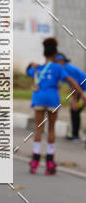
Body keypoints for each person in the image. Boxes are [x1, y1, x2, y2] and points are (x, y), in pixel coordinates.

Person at [26, 38, 85, 174]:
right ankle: (50, 162)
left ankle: (35, 161)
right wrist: (82, 94)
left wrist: (31, 64)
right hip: (52, 100)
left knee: (38, 129)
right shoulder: (58, 68)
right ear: (55, 54)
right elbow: (72, 81)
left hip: (39, 99)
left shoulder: (37, 68)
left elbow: (27, 71)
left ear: (44, 54)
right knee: (51, 130)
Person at [55, 52, 86, 141]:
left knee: (74, 109)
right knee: (74, 110)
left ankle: (75, 134)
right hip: (81, 91)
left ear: (61, 61)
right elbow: (72, 85)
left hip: (83, 91)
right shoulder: (65, 68)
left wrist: (74, 100)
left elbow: (76, 85)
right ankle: (75, 134)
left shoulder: (67, 68)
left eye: (56, 62)